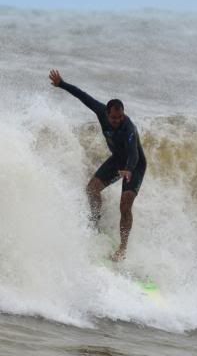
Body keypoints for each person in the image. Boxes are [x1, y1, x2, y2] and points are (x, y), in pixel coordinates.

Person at [49, 69, 147, 261]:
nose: (117, 121)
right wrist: (62, 84)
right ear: (107, 113)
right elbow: (83, 97)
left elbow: (134, 153)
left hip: (134, 166)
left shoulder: (128, 128)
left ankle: (123, 248)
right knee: (91, 190)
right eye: (114, 118)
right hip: (117, 161)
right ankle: (95, 224)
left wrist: (128, 168)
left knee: (125, 205)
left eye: (120, 117)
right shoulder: (101, 112)